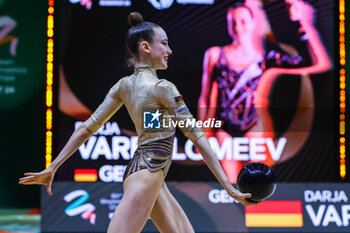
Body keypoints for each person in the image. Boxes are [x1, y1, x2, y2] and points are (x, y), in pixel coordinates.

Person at [19, 12, 258, 233]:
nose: (170, 50)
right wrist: (228, 187)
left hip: (147, 175)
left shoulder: (123, 86)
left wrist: (54, 166)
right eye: (164, 43)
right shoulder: (164, 88)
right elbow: (199, 137)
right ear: (145, 47)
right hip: (147, 175)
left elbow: (85, 129)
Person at [197, 0, 331, 182]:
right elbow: (206, 98)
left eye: (243, 21)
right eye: (233, 22)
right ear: (228, 25)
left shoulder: (266, 59)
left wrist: (305, 23)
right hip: (224, 126)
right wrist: (201, 134)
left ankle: (258, 208)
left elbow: (320, 64)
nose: (238, 27)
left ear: (252, 23)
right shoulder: (215, 54)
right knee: (229, 183)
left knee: (258, 181)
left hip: (254, 125)